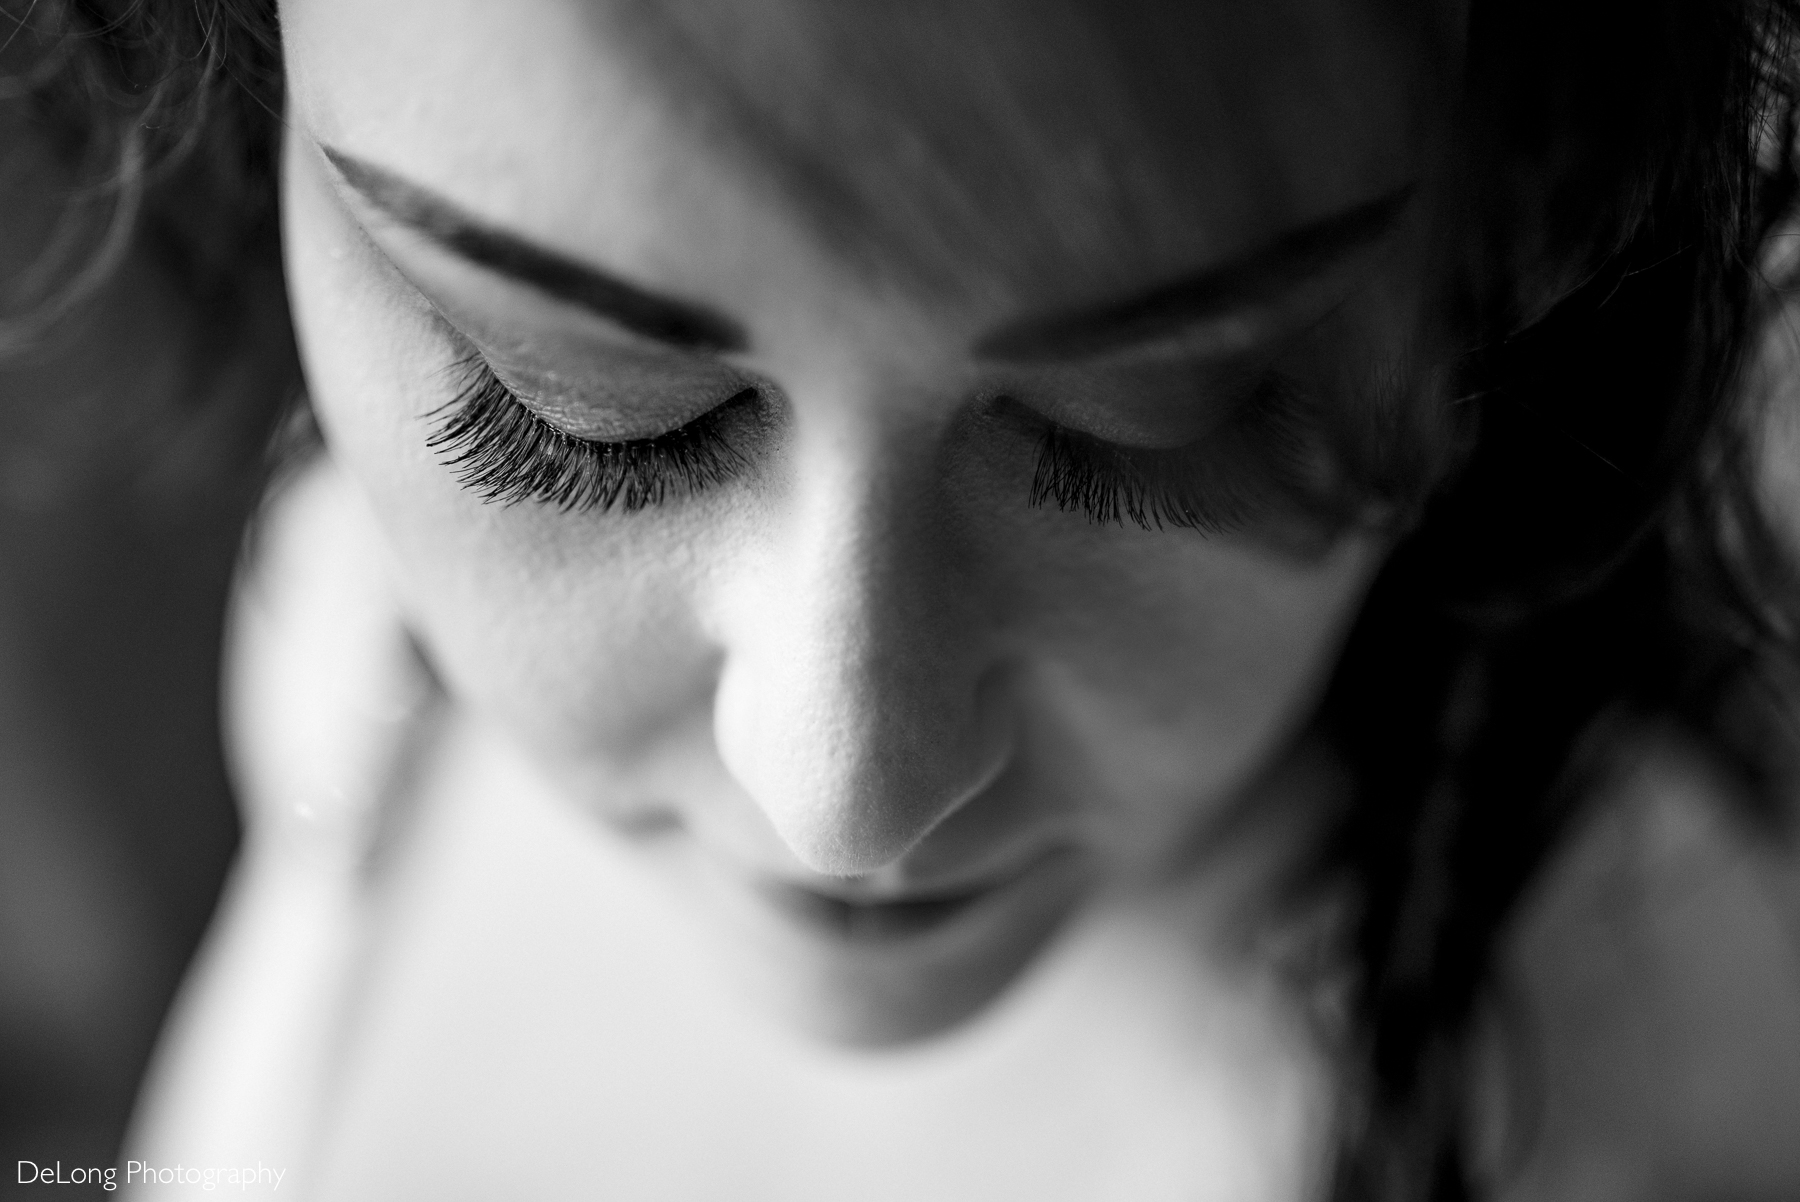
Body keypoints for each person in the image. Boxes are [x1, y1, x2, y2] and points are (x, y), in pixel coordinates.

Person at [4, 1, 1800, 1198]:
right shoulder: (351, 634)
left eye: (1153, 428)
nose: (842, 792)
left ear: (1527, 248)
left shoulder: (1642, 1105)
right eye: (569, 414)